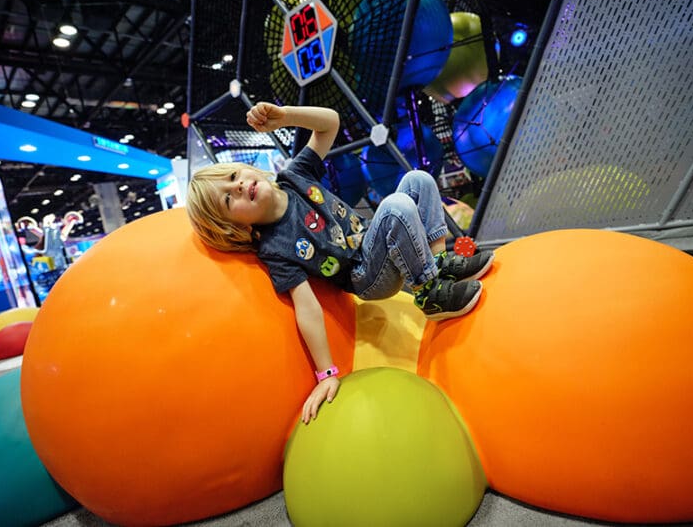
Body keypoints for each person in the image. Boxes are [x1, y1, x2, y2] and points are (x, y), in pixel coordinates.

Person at [186, 102, 494, 424]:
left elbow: (329, 124)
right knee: (396, 206)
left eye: (233, 175)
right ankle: (429, 292)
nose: (236, 185)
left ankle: (438, 263)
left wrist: (286, 117)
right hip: (366, 276)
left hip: (373, 244)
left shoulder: (294, 177)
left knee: (418, 180)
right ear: (233, 226)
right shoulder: (274, 247)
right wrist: (326, 373)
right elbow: (306, 308)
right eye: (227, 199)